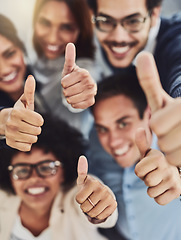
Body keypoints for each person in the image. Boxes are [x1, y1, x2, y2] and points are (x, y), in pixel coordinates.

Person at [88, 69, 181, 240]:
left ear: (148, 114)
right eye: (102, 129)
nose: (113, 141)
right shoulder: (98, 155)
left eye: (123, 124)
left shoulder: (175, 155)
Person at [0, 114, 117, 240]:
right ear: (9, 176)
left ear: (64, 171)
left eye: (46, 168)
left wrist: (99, 208)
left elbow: (97, 205)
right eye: (22, 170)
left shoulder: (75, 197)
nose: (33, 178)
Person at [25, 0, 98, 136]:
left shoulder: (85, 67)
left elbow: (87, 80)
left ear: (81, 30)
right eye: (45, 23)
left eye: (66, 27)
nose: (52, 38)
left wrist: (80, 91)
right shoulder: (34, 62)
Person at [88, 0, 181, 98]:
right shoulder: (85, 37)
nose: (119, 38)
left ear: (154, 14)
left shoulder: (176, 40)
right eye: (106, 21)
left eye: (133, 21)